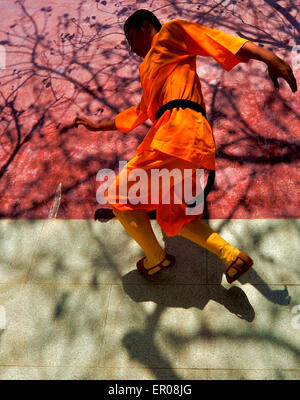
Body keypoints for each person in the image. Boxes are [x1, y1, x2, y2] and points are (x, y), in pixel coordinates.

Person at [74, 9, 297, 283]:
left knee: (119, 197)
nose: (131, 47)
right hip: (192, 143)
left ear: (146, 26)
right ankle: (231, 256)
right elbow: (140, 111)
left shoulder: (170, 32)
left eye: (131, 38)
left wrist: (270, 58)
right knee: (175, 217)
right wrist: (100, 126)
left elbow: (214, 39)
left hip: (176, 133)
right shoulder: (149, 70)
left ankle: (156, 259)